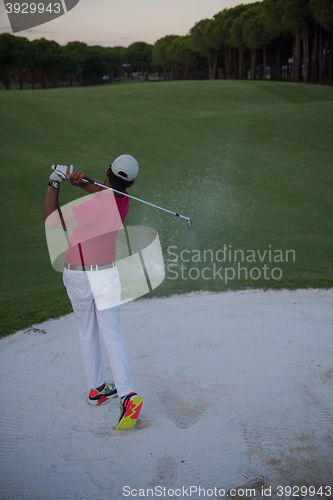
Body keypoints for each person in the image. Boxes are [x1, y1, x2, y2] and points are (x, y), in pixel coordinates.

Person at [43, 155, 143, 431]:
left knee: (87, 331)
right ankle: (125, 394)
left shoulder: (90, 205)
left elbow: (52, 221)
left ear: (108, 170)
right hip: (106, 275)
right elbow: (105, 191)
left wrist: (55, 183)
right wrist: (81, 182)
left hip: (78, 276)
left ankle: (97, 388)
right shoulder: (123, 201)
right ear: (131, 184)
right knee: (113, 334)